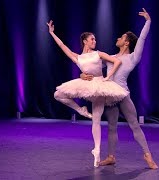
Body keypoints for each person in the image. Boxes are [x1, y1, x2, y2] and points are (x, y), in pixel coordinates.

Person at [80, 8, 158, 169]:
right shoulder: (111, 58)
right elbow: (91, 67)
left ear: (127, 42)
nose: (118, 38)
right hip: (109, 96)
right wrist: (82, 75)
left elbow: (142, 39)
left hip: (122, 95)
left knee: (134, 125)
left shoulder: (132, 58)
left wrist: (148, 21)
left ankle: (148, 155)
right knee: (111, 127)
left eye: (121, 37)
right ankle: (111, 157)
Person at [46, 20, 129, 167]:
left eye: (95, 39)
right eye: (92, 39)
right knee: (58, 94)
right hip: (85, 84)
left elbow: (116, 62)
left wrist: (108, 77)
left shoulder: (99, 54)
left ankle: (96, 151)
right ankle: (80, 110)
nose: (95, 41)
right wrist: (52, 33)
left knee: (96, 119)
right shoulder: (77, 57)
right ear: (85, 41)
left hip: (99, 85)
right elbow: (62, 46)